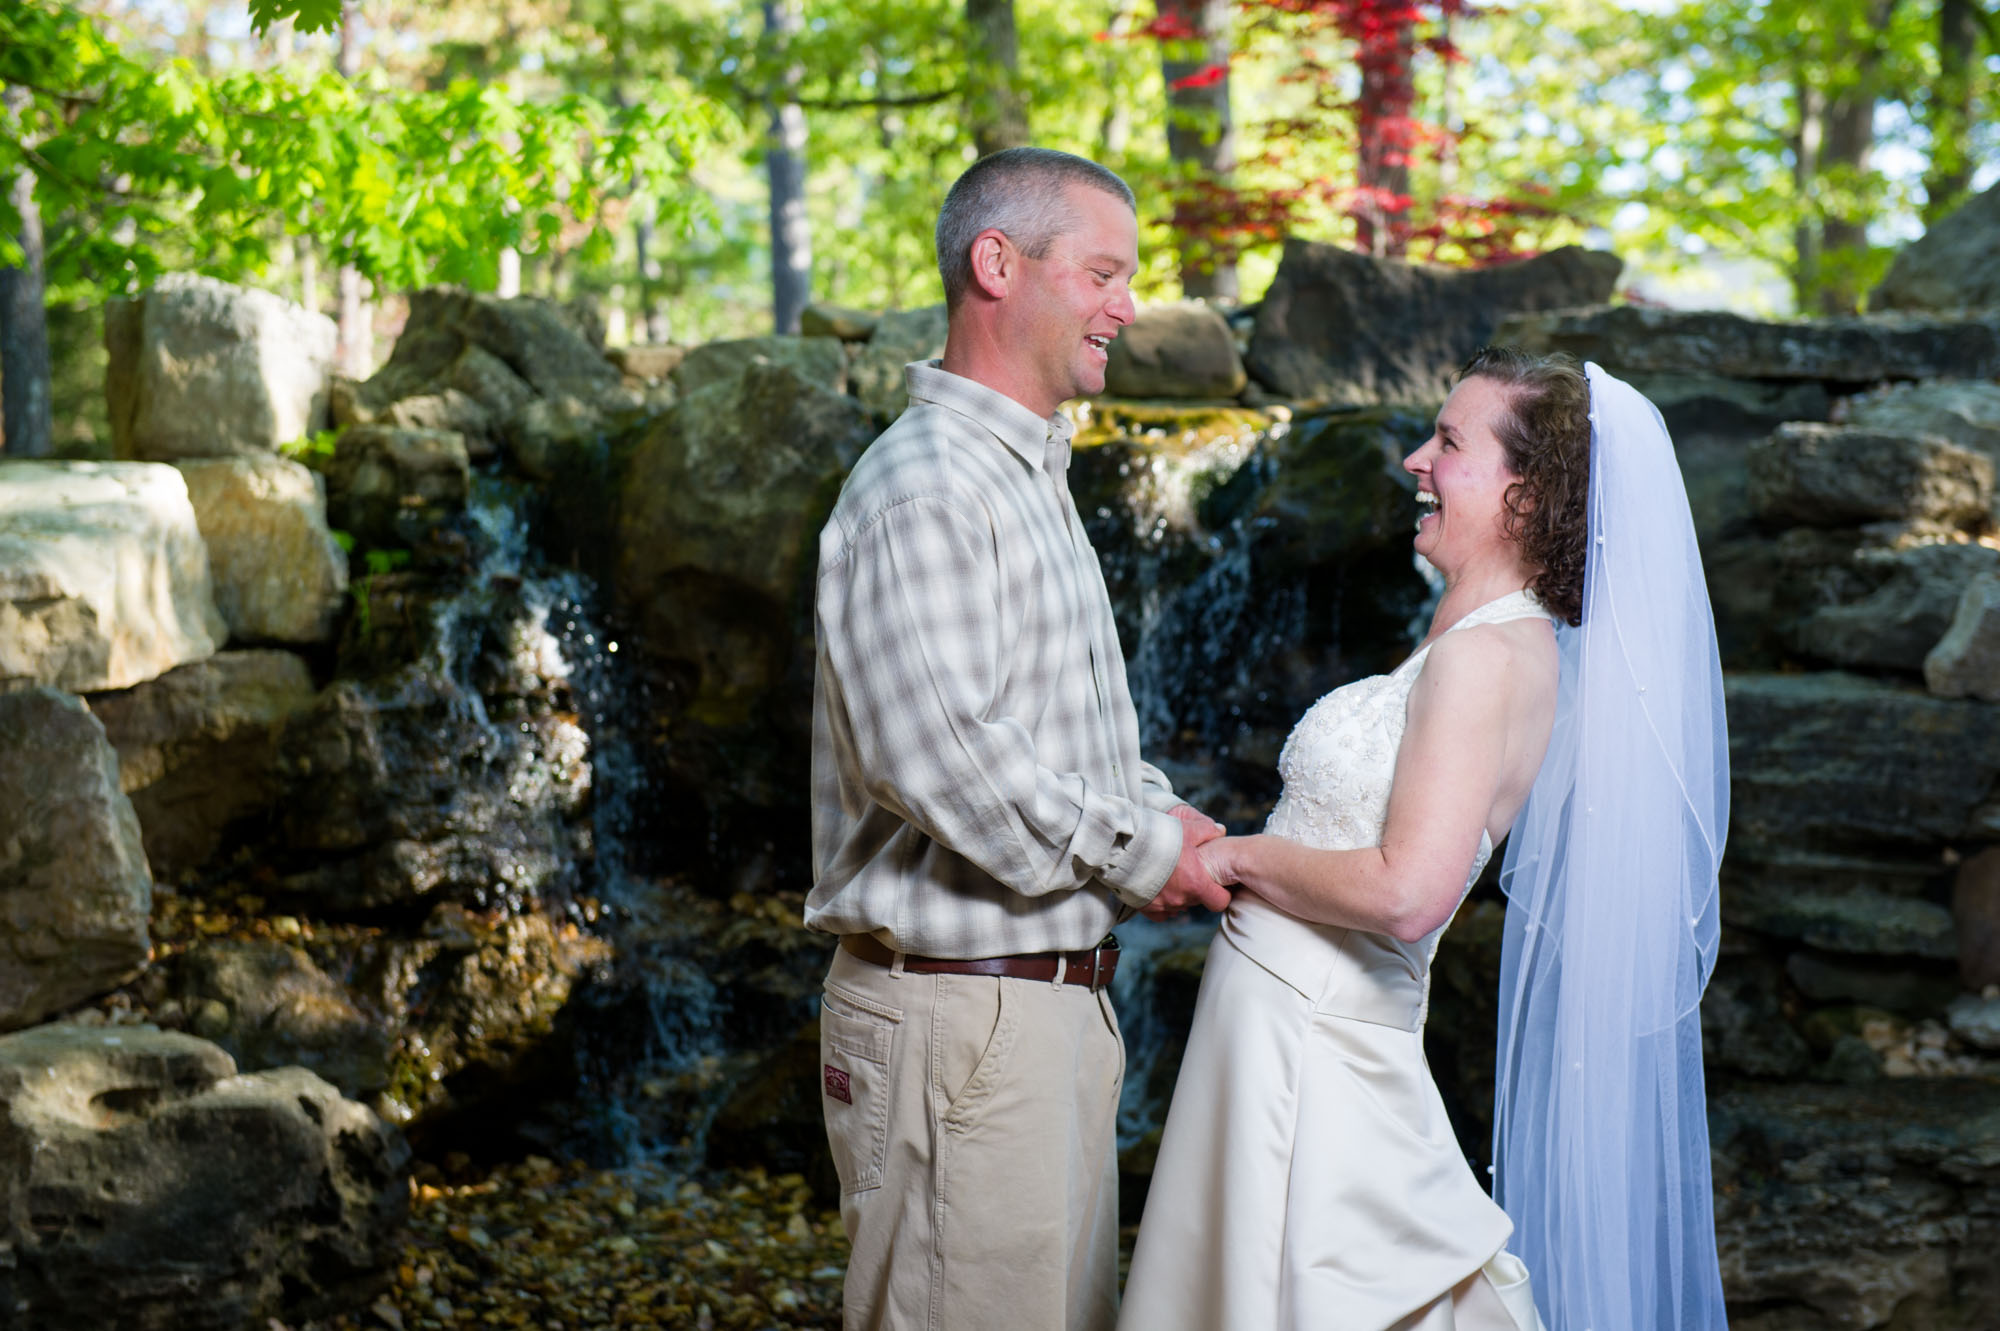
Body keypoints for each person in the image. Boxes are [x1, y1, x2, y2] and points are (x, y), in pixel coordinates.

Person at [1119, 348, 1730, 1331]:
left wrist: (1231, 855)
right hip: (1279, 1049)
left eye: (1447, 441)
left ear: (1524, 494)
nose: (1415, 459)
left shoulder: (1487, 657)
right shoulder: (1473, 641)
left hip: (1315, 1071)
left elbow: (1409, 892)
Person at [805, 146, 1230, 1331]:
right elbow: (943, 762)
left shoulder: (1027, 473)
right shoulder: (926, 486)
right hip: (963, 1026)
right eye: (1102, 272)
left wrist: (1158, 810)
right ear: (996, 264)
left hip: (1037, 1016)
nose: (1127, 306)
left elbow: (1054, 732)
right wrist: (1149, 851)